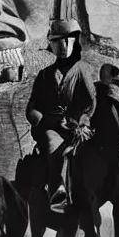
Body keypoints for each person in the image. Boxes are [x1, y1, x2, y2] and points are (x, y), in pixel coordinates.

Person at [26, 19, 95, 213]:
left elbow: (90, 102)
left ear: (75, 42)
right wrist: (43, 120)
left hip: (77, 127)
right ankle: (58, 191)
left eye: (68, 41)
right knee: (51, 143)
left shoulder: (82, 71)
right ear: (52, 45)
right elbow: (32, 106)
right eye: (58, 41)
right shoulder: (44, 75)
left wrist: (81, 122)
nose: (63, 46)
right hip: (52, 128)